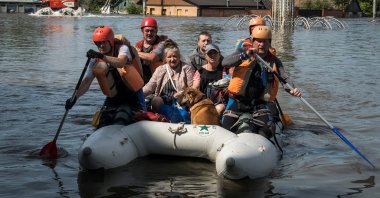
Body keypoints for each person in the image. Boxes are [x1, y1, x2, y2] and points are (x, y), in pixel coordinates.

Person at [221, 25, 301, 139]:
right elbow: (225, 62)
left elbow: (285, 78)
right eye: (258, 41)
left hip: (260, 104)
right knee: (225, 128)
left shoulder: (274, 61)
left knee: (267, 131)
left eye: (265, 41)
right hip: (239, 102)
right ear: (253, 42)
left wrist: (292, 89)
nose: (261, 44)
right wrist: (245, 55)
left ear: (269, 43)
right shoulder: (242, 52)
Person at [65, 26, 146, 128]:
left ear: (111, 42)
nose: (101, 46)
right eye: (98, 43)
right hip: (114, 96)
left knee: (141, 118)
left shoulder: (123, 48)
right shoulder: (95, 60)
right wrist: (75, 97)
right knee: (100, 67)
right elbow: (86, 81)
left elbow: (121, 62)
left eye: (104, 42)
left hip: (134, 93)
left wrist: (101, 56)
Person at [143, 39, 194, 114]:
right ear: (165, 59)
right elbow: (150, 86)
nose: (172, 59)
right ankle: (160, 118)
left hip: (180, 101)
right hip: (164, 100)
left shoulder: (187, 68)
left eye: (175, 56)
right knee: (156, 100)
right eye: (169, 57)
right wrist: (138, 94)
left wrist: (180, 94)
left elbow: (191, 88)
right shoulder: (160, 69)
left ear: (179, 57)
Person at [192, 43, 228, 117]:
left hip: (220, 102)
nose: (212, 55)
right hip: (204, 101)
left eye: (215, 53)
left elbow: (228, 84)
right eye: (209, 53)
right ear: (205, 56)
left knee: (218, 108)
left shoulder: (225, 69)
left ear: (219, 54)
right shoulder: (200, 71)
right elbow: (195, 87)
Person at [135, 17, 165, 84]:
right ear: (142, 31)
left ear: (156, 31)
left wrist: (134, 52)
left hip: (158, 81)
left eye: (152, 31)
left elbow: (153, 57)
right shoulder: (138, 45)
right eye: (147, 31)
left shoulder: (162, 44)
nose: (149, 33)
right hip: (143, 81)